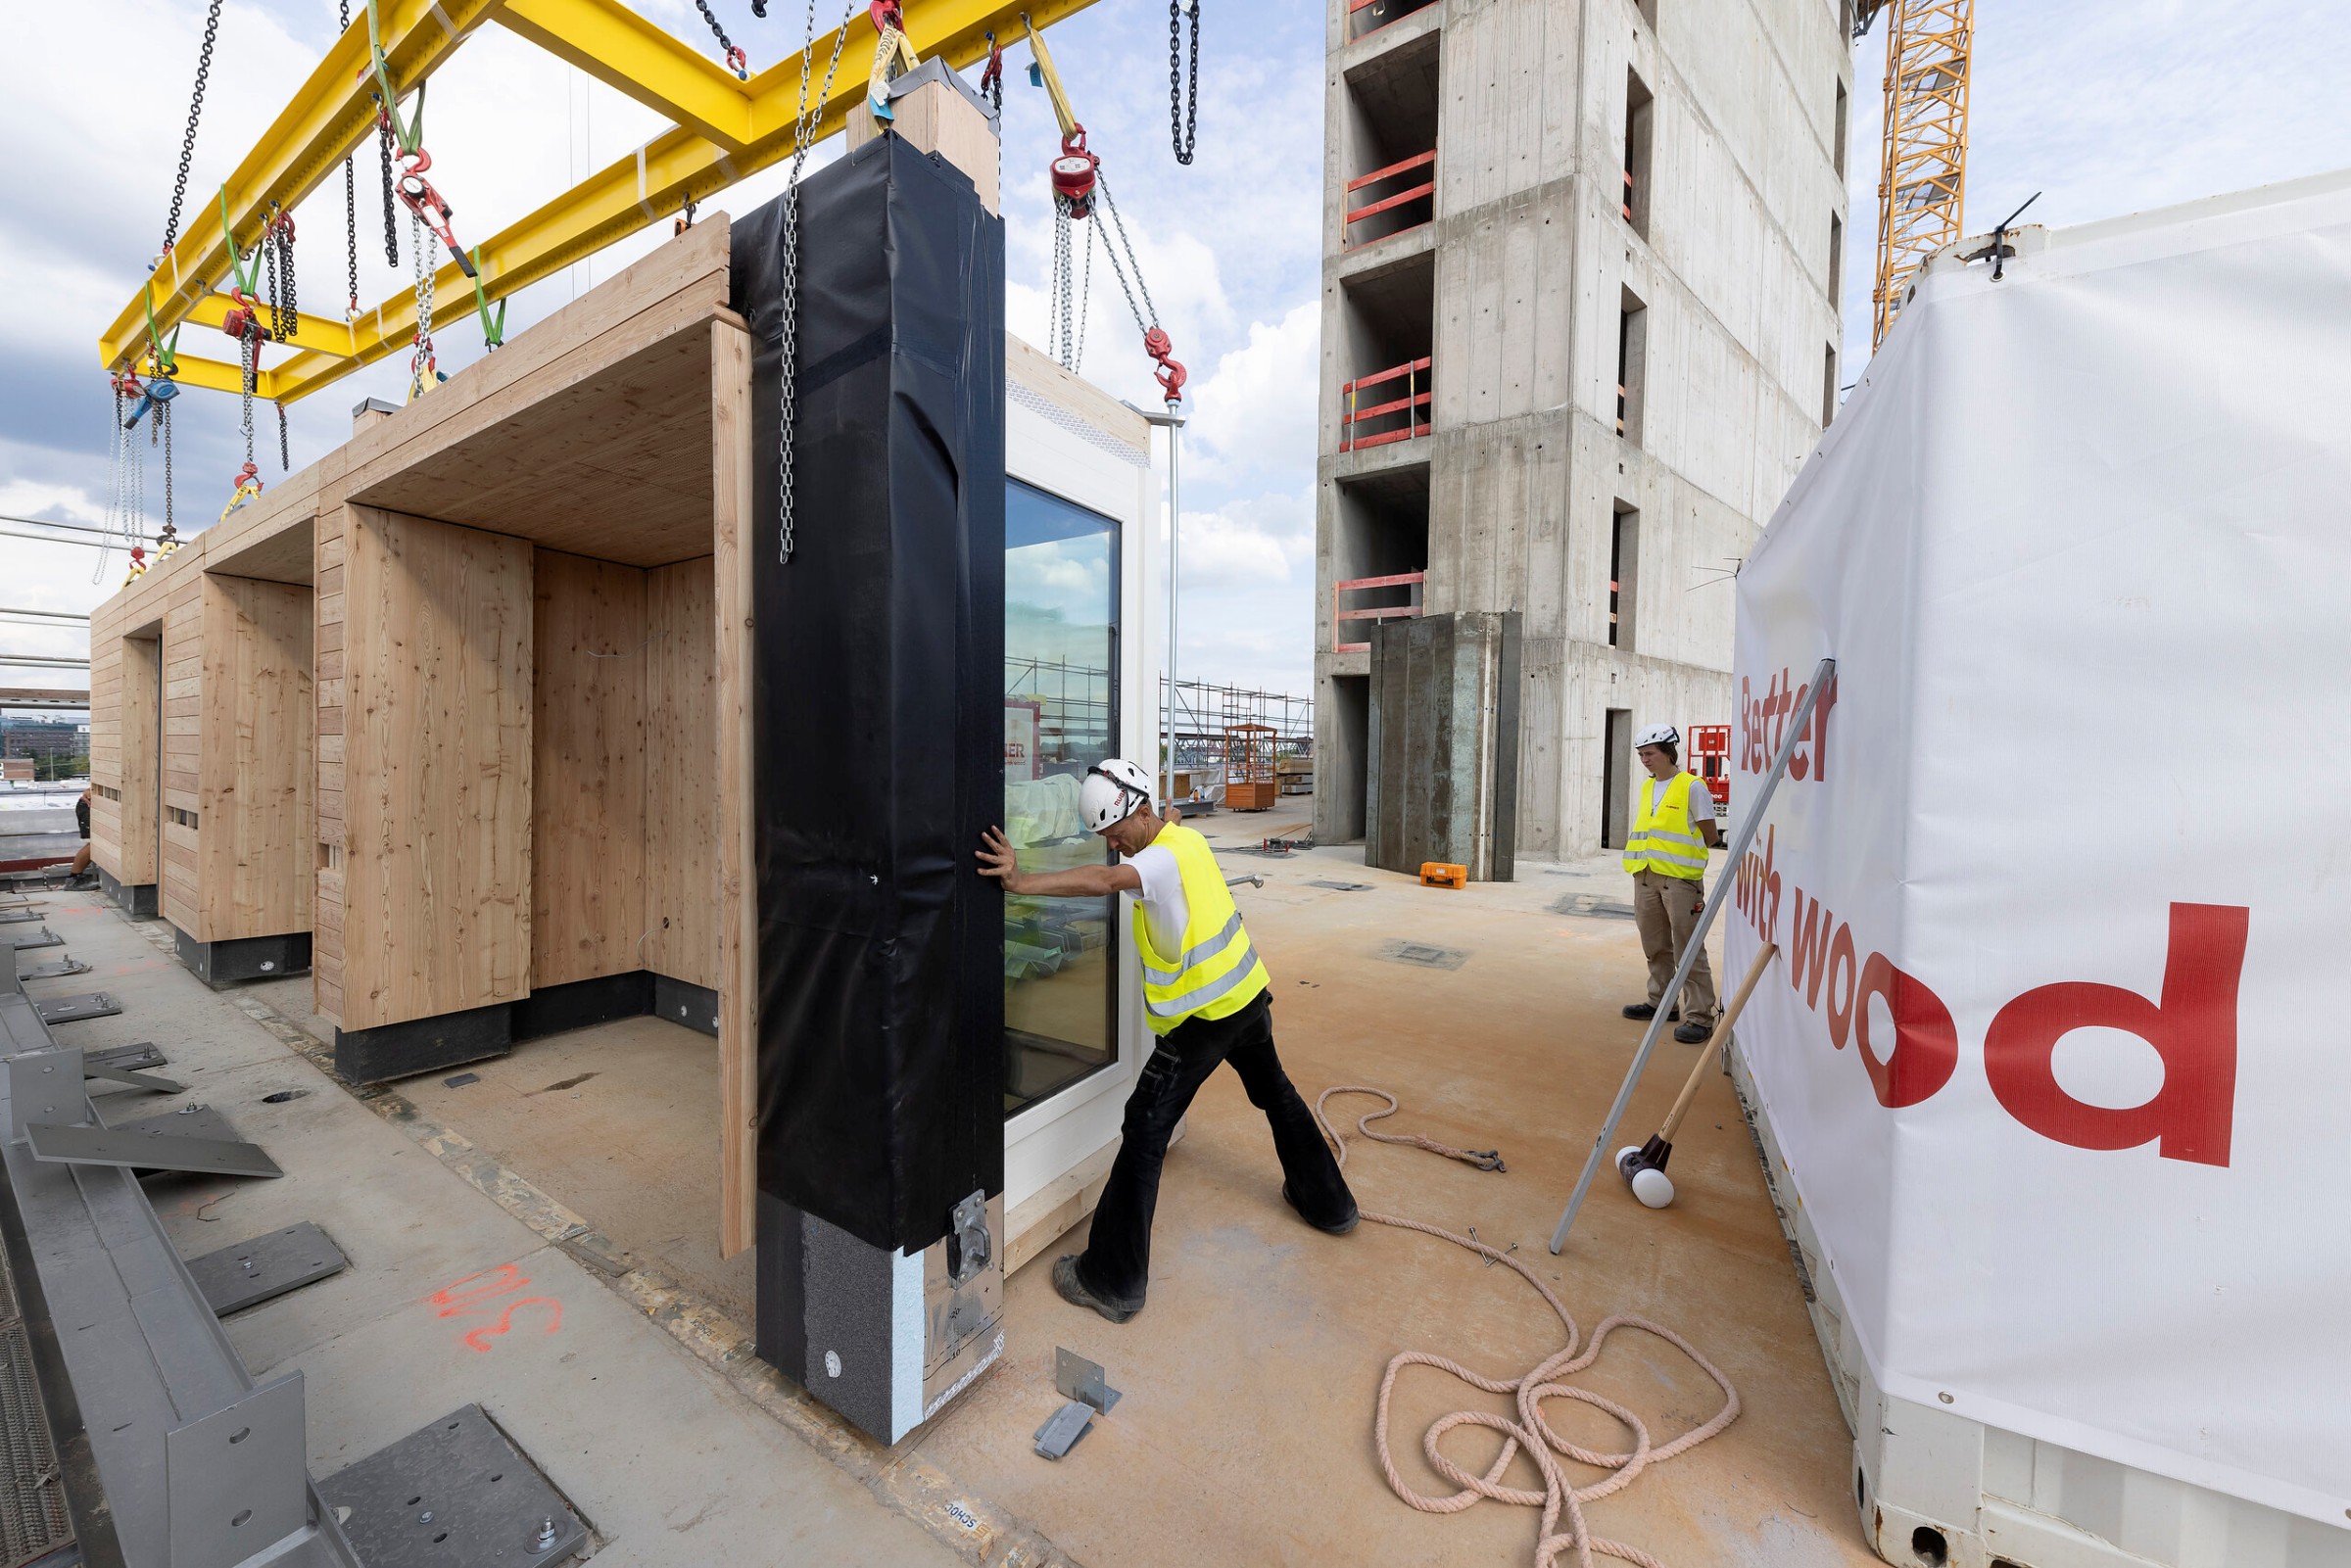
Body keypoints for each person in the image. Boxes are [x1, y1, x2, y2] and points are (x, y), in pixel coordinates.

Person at [976, 758, 1357, 1323]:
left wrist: (1019, 881)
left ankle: (1111, 1279)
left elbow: (1105, 881)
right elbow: (1161, 828)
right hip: (1247, 997)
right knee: (1275, 1093)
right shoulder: (1185, 838)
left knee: (1145, 1129)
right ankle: (1329, 1205)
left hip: (1203, 1020)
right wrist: (1155, 816)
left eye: (1113, 833)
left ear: (1136, 812)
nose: (1114, 847)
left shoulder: (1153, 861)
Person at [1622, 725, 1720, 1045]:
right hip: (1646, 875)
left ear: (1668, 752)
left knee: (1688, 947)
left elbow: (1709, 834)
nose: (1644, 760)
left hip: (1679, 880)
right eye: (1641, 755)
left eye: (1649, 754)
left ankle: (1700, 1017)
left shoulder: (1692, 786)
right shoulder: (1648, 787)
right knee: (1655, 945)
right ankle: (1660, 1003)